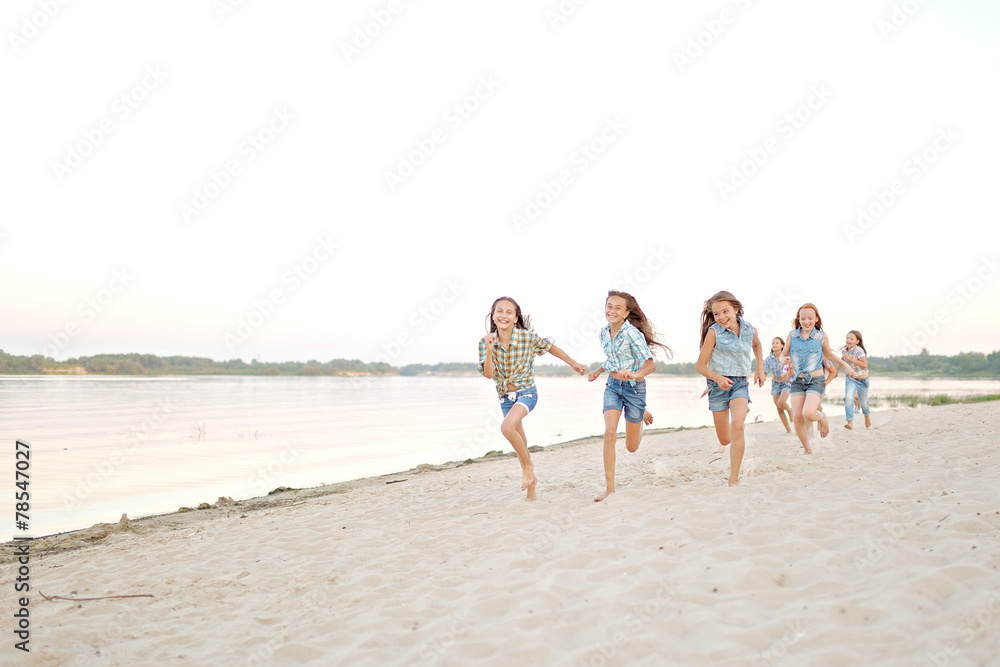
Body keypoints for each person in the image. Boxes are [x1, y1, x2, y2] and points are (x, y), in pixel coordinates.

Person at [479, 296, 586, 501]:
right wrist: (490, 350)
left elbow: (550, 347)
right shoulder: (485, 343)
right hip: (505, 397)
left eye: (509, 312)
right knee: (521, 441)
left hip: (526, 392)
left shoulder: (526, 338)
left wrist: (573, 364)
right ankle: (531, 488)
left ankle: (528, 466)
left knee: (506, 428)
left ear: (515, 317)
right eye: (499, 311)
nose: (504, 315)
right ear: (493, 317)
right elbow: (489, 374)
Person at [588, 290, 671, 502]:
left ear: (626, 313)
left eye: (618, 308)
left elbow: (650, 364)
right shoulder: (603, 333)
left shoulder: (633, 333)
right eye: (609, 306)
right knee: (609, 433)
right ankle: (609, 489)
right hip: (613, 386)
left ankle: (641, 411)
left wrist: (634, 374)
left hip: (634, 389)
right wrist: (599, 370)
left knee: (631, 447)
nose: (612, 311)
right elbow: (613, 360)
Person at [696, 291, 765, 486]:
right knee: (725, 439)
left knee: (737, 426)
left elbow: (757, 346)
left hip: (740, 384)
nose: (722, 317)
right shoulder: (713, 332)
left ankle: (733, 478)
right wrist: (716, 379)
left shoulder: (750, 330)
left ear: (736, 309)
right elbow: (700, 365)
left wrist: (760, 368)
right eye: (717, 314)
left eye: (725, 311)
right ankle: (739, 409)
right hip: (717, 386)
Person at [779, 304, 853, 454]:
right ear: (799, 319)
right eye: (803, 318)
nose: (806, 321)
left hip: (816, 380)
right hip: (798, 382)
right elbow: (783, 353)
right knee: (797, 417)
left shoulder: (821, 336)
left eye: (810, 318)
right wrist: (782, 359)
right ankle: (808, 449)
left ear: (816, 319)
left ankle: (822, 418)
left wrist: (845, 365)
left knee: (809, 413)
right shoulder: (792, 335)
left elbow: (830, 355)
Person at [841, 330, 871, 429]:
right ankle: (849, 422)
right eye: (847, 338)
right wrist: (835, 371)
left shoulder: (859, 350)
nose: (848, 340)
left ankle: (866, 416)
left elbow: (864, 364)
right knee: (849, 398)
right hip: (851, 379)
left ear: (857, 341)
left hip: (863, 380)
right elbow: (842, 361)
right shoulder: (844, 350)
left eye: (851, 338)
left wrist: (850, 359)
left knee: (863, 403)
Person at [763, 337, 793, 433]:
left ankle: (790, 410)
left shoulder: (787, 357)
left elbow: (793, 369)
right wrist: (762, 378)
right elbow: (765, 372)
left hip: (786, 383)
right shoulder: (768, 359)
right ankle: (788, 430)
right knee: (779, 409)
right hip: (775, 384)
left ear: (782, 345)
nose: (774, 345)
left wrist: (787, 373)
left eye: (777, 343)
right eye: (773, 343)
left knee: (781, 402)